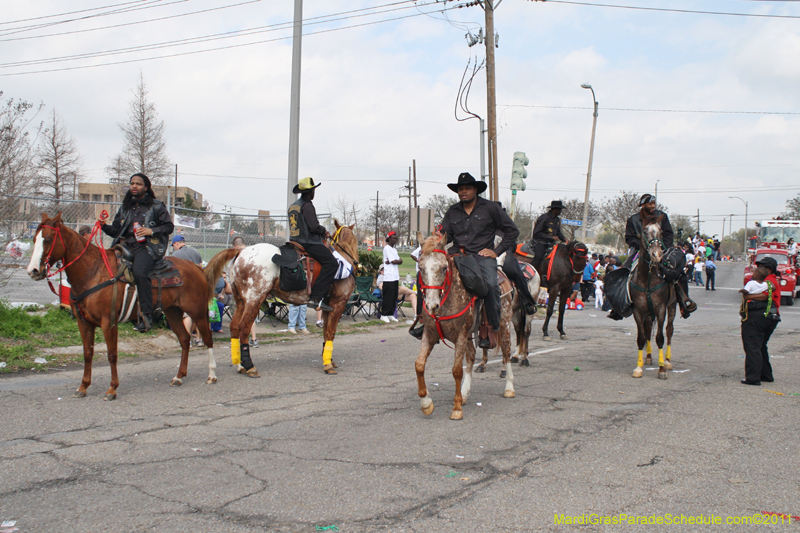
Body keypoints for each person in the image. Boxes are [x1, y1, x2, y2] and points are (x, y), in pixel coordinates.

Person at [441, 172, 519, 348]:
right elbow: (445, 235)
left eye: (467, 188)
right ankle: (424, 320)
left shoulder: (490, 208)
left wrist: (496, 251)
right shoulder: (452, 211)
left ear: (475, 189)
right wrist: (436, 240)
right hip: (458, 255)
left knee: (491, 285)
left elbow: (512, 231)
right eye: (460, 189)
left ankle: (491, 325)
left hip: (482, 257)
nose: (463, 192)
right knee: (430, 276)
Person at [100, 173, 174, 332]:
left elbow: (169, 227)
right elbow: (116, 232)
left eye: (138, 184)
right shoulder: (126, 206)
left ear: (146, 187)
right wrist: (103, 226)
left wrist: (151, 231)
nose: (134, 186)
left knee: (140, 273)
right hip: (126, 246)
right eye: (132, 183)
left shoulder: (156, 206)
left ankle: (147, 317)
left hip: (147, 248)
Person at [619, 193, 695, 319]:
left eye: (654, 203)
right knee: (623, 272)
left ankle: (684, 302)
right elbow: (629, 238)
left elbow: (669, 234)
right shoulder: (633, 219)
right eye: (650, 204)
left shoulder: (662, 216)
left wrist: (663, 248)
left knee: (678, 272)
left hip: (660, 249)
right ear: (643, 205)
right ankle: (621, 306)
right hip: (639, 250)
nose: (653, 206)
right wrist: (643, 246)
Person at [288, 177, 335, 312]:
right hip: (308, 242)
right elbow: (313, 227)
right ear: (310, 191)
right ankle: (317, 298)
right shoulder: (307, 205)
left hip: (293, 240)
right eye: (313, 190)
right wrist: (324, 231)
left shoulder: (293, 205)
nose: (314, 192)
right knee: (332, 263)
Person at [739, 257, 781, 386]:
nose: (756, 270)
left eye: (760, 267)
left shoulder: (767, 280)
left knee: (752, 346)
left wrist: (747, 296)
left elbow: (764, 295)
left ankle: (753, 378)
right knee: (760, 345)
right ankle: (765, 374)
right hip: (769, 317)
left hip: (759, 317)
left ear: (768, 269)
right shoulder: (769, 280)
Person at [232, 236, 260, 347]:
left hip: (240, 291)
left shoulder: (238, 257)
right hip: (252, 290)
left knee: (238, 314)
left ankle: (239, 339)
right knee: (251, 315)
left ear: (236, 246)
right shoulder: (253, 255)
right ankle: (253, 339)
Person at [529, 200, 567, 273]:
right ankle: (528, 273)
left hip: (551, 244)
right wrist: (551, 237)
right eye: (560, 210)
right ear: (555, 209)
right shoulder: (544, 218)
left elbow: (558, 232)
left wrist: (565, 239)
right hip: (540, 242)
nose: (561, 212)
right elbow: (536, 233)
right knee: (539, 257)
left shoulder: (557, 219)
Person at [380, 231, 402, 323]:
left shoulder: (394, 250)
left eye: (396, 238)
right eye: (393, 238)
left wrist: (398, 260)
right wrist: (397, 260)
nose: (395, 240)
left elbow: (399, 261)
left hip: (395, 277)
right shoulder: (387, 248)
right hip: (388, 277)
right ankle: (384, 314)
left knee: (394, 297)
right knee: (388, 297)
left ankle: (390, 314)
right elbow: (394, 261)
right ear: (388, 239)